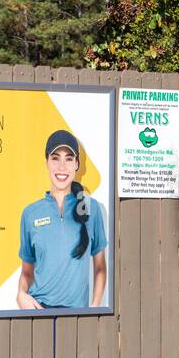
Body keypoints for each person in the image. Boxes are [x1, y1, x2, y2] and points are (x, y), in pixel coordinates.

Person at [17, 130, 108, 310]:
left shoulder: (92, 209)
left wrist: (95, 308)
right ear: (47, 163)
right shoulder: (30, 213)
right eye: (55, 158)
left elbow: (100, 267)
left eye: (68, 159)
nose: (61, 167)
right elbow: (27, 272)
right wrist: (21, 294)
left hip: (77, 318)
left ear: (76, 164)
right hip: (37, 313)